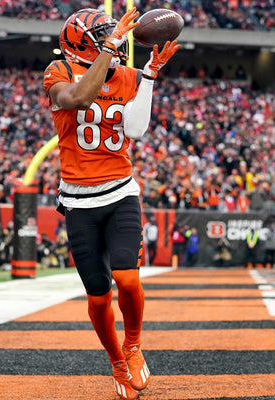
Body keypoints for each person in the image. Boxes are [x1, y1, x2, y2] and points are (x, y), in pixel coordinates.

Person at [43, 7, 179, 399]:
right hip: (78, 202)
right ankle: (116, 360)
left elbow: (135, 130)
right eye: (104, 35)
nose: (117, 42)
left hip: (120, 193)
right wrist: (108, 47)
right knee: (99, 297)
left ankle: (133, 347)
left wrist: (149, 77)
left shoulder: (129, 76)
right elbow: (80, 98)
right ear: (85, 42)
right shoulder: (59, 74)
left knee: (128, 278)